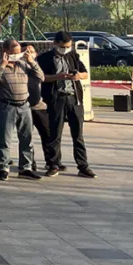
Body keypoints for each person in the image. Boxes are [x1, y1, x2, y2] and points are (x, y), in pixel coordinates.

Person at [37, 33, 96, 178]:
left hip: (74, 98)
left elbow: (85, 74)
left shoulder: (73, 56)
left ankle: (83, 166)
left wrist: (78, 76)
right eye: (62, 47)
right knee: (55, 134)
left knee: (78, 135)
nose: (65, 49)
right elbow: (41, 77)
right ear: (55, 44)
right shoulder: (45, 58)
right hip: (56, 98)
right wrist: (57, 77)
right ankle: (54, 164)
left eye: (68, 47)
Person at [0, 40, 44, 181]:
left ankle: (25, 168)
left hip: (24, 105)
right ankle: (3, 168)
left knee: (27, 138)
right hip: (6, 106)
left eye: (19, 52)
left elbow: (41, 77)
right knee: (5, 139)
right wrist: (2, 66)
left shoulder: (23, 64)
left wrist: (31, 62)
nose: (17, 55)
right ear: (5, 51)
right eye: (14, 52)